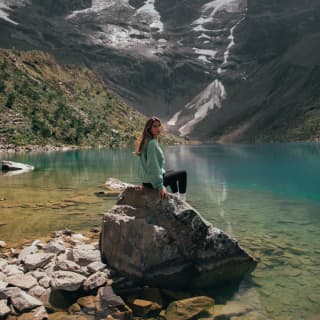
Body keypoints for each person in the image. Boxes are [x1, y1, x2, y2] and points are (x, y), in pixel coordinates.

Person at [136, 117, 187, 200]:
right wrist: (160, 186)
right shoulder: (152, 143)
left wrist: (144, 181)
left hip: (148, 181)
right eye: (154, 126)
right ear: (149, 129)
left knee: (173, 172)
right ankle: (182, 201)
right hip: (153, 183)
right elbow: (153, 166)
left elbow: (143, 165)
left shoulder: (147, 141)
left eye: (159, 125)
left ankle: (176, 197)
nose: (158, 128)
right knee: (183, 174)